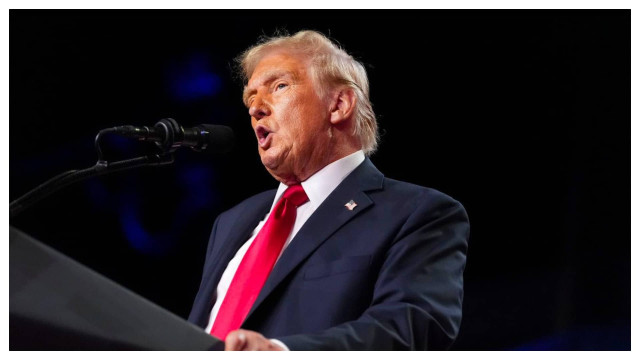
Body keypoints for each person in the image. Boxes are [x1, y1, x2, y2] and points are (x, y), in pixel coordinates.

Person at [188, 30, 470, 351]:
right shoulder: (231, 222)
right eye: (250, 99)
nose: (256, 109)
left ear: (338, 104)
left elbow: (409, 327)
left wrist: (282, 353)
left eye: (279, 86)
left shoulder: (416, 213)